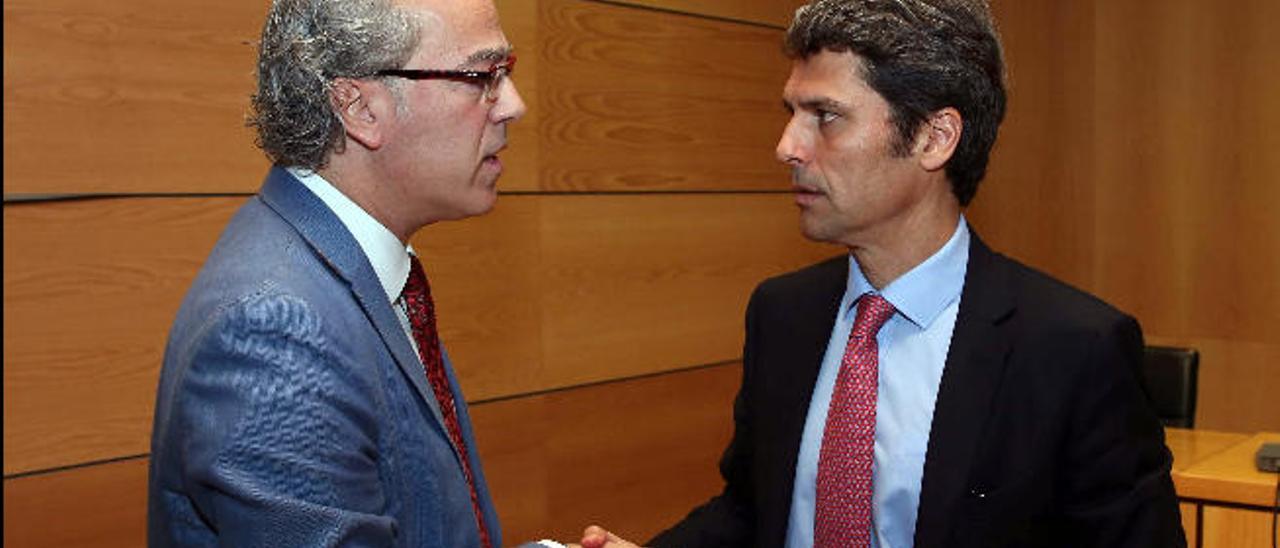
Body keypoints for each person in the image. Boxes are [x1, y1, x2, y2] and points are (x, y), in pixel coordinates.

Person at [579, 0, 1184, 546]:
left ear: (933, 136)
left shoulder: (1073, 350)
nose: (787, 145)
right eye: (791, 112)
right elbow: (752, 511)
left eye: (825, 115)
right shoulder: (782, 314)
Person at [147, 0, 525, 545]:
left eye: (505, 73)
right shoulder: (275, 329)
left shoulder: (354, 271)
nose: (513, 104)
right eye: (481, 76)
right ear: (360, 108)